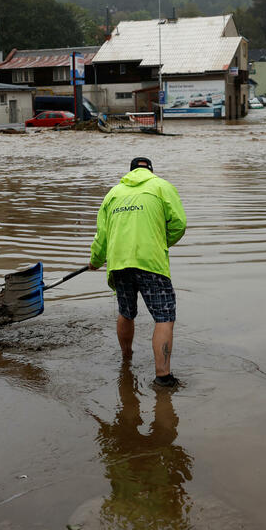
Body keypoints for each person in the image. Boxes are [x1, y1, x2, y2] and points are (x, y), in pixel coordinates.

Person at [90, 157, 187, 387]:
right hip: (150, 262)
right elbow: (179, 224)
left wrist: (95, 260)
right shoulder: (162, 187)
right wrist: (159, 242)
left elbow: (101, 237)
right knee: (164, 317)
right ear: (151, 172)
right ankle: (163, 377)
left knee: (126, 312)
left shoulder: (113, 194)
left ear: (130, 172)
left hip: (119, 263)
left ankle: (126, 358)